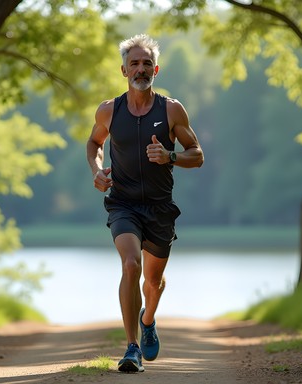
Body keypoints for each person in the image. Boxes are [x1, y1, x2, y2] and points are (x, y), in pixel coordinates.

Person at [86, 34, 204, 373]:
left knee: (153, 283)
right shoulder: (109, 110)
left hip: (159, 207)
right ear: (123, 70)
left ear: (156, 68)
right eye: (134, 63)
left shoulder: (172, 109)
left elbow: (197, 156)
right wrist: (96, 170)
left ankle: (148, 318)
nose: (141, 68)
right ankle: (131, 348)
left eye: (146, 63)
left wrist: (169, 156)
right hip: (122, 203)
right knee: (130, 266)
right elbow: (94, 142)